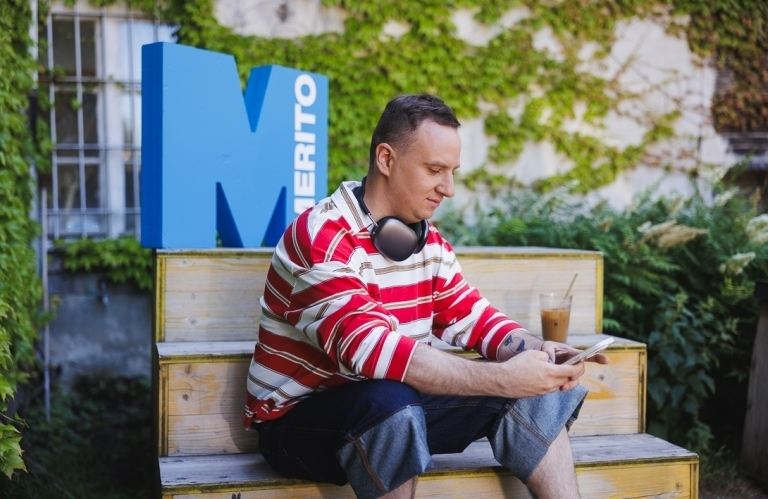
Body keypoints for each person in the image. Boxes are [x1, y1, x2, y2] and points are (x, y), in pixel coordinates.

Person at [244, 93, 609, 499]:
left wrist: (540, 352)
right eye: (435, 169)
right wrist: (502, 377)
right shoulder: (321, 237)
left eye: (452, 171)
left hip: (396, 407)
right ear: (386, 159)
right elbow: (370, 350)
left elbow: (475, 319)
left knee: (527, 389)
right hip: (297, 423)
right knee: (391, 401)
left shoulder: (429, 243)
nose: (448, 188)